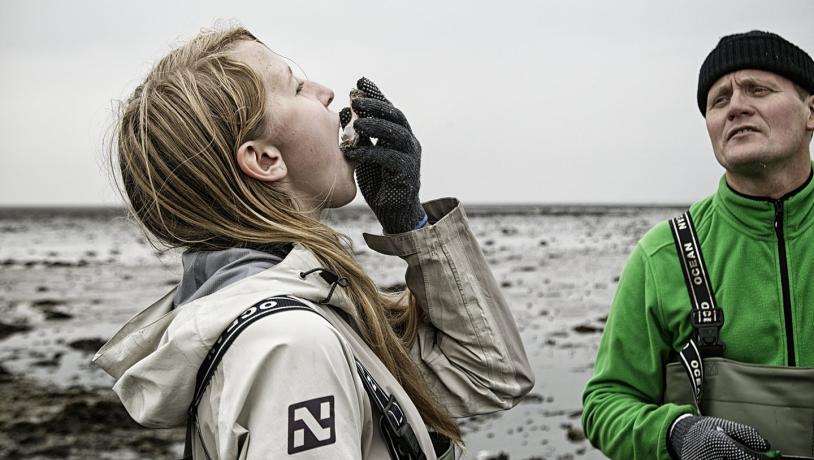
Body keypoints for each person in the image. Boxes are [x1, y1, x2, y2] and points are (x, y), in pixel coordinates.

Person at [92, 26, 534, 459]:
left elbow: (488, 374)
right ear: (265, 159)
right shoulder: (288, 346)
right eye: (297, 87)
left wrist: (411, 224)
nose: (324, 92)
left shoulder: (306, 308)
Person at [582, 30, 814, 460]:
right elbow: (605, 404)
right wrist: (677, 433)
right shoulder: (663, 254)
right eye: (719, 100)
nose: (737, 106)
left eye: (758, 90)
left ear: (810, 111)